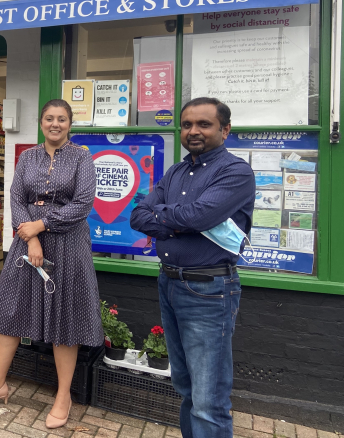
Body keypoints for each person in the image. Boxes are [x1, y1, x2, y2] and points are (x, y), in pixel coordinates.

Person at [0, 99, 103, 429]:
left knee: (65, 317)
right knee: (10, 310)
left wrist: (42, 226)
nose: (55, 124)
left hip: (69, 244)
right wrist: (31, 237)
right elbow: (16, 198)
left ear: (70, 124)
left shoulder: (82, 157)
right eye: (49, 118)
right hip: (27, 243)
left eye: (61, 119)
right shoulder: (28, 156)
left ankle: (63, 396)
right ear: (41, 122)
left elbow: (83, 204)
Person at [130, 97, 255, 438]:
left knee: (208, 400)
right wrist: (182, 221)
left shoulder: (235, 172)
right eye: (187, 125)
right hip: (169, 284)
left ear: (225, 130)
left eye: (204, 124)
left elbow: (200, 215)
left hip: (208, 291)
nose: (193, 131)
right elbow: (138, 215)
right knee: (185, 387)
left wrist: (172, 217)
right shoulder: (176, 171)